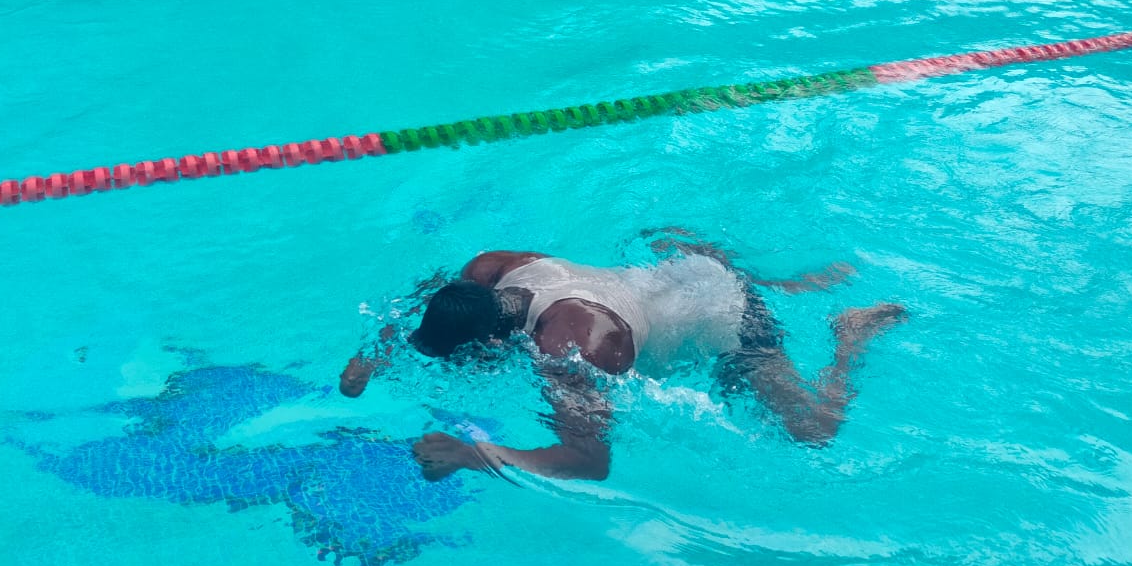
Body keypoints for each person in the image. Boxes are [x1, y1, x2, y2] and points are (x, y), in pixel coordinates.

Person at [339, 229, 906, 482]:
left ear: (492, 343)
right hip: (678, 268)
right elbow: (428, 295)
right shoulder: (490, 270)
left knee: (812, 430)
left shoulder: (569, 351)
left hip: (725, 315)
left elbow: (589, 461)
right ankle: (787, 283)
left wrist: (475, 454)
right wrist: (371, 356)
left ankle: (850, 333)